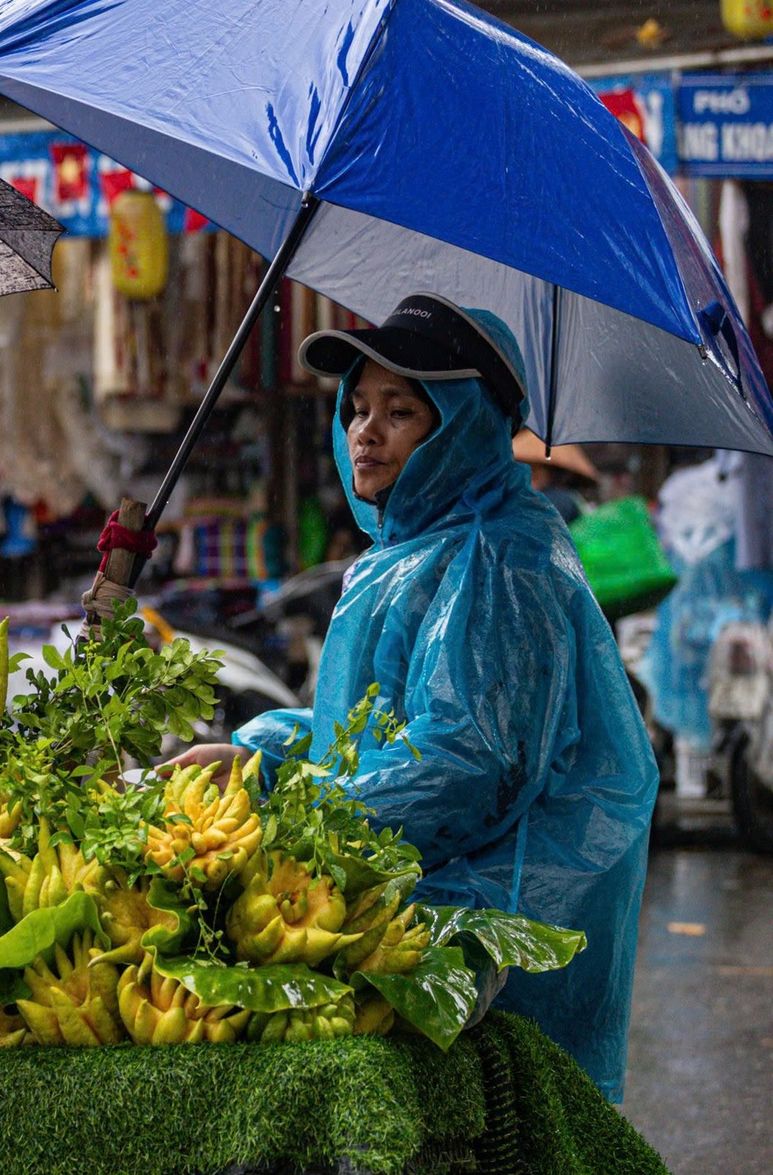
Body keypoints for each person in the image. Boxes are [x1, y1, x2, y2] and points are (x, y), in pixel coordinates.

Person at [172, 293, 656, 1102]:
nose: (366, 429)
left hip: (488, 914)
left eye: (401, 411)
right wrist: (261, 751)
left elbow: (462, 766)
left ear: (465, 424)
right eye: (358, 407)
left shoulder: (502, 559)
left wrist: (279, 795)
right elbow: (365, 724)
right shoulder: (402, 551)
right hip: (401, 892)